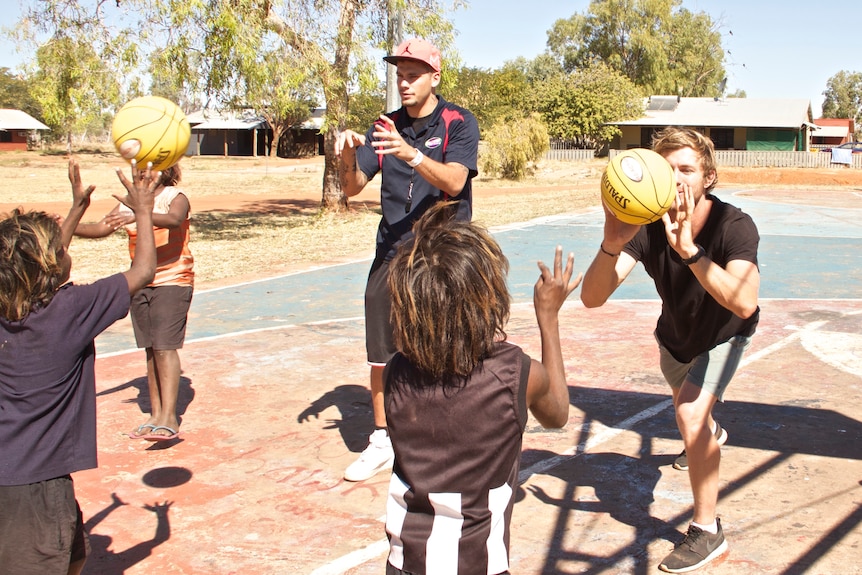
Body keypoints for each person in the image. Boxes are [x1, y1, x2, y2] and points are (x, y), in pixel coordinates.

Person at [580, 127, 760, 573]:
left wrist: (690, 251)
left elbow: (744, 300)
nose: (677, 178)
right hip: (675, 341)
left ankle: (706, 530)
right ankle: (710, 437)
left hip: (725, 335)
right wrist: (611, 242)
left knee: (690, 416)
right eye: (668, 169)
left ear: (709, 177)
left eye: (687, 169)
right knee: (696, 424)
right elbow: (592, 297)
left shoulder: (734, 225)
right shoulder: (646, 225)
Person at [383, 202, 580, 574]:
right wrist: (548, 318)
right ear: (486, 300)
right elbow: (557, 414)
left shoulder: (396, 375)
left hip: (405, 563)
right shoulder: (514, 375)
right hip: (479, 564)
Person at [0, 159, 157, 575]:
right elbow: (143, 271)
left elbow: (38, 266)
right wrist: (142, 210)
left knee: (76, 556)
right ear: (51, 265)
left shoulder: (12, 309)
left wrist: (75, 211)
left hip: (15, 472)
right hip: (34, 486)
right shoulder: (70, 311)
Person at [335, 37, 480, 482]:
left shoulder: (458, 121)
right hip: (393, 249)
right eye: (399, 74)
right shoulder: (385, 125)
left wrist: (412, 154)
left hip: (443, 254)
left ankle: (451, 432)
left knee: (448, 344)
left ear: (434, 77)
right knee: (381, 352)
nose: (404, 82)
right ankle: (382, 438)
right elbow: (351, 186)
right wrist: (343, 156)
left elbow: (455, 182)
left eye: (413, 74)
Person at [75, 163, 194, 441]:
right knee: (151, 349)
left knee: (165, 347)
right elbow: (102, 227)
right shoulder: (131, 203)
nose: (142, 173)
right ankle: (155, 415)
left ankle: (170, 417)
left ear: (166, 171)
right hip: (141, 282)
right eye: (138, 169)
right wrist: (67, 225)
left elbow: (175, 220)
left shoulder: (175, 197)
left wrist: (140, 211)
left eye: (150, 168)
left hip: (173, 279)